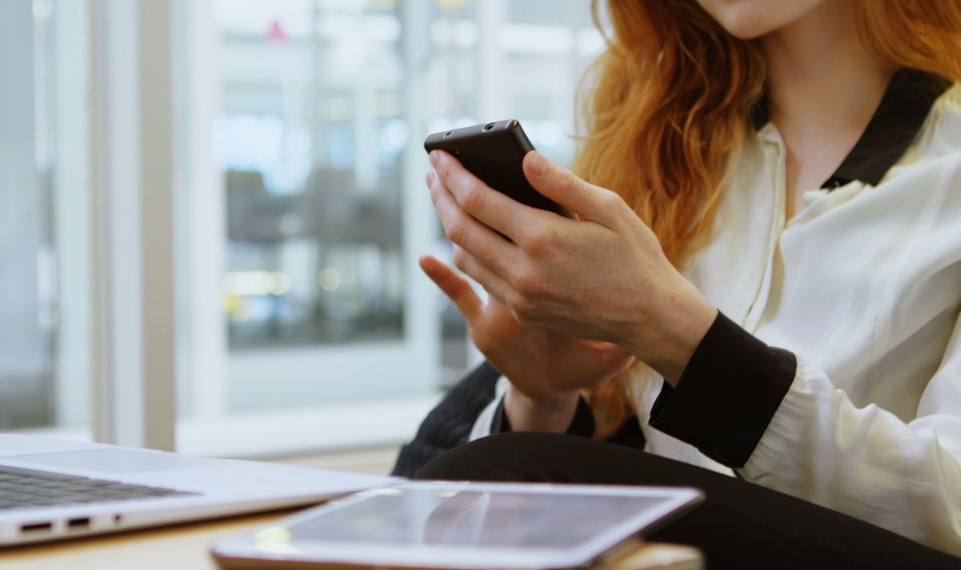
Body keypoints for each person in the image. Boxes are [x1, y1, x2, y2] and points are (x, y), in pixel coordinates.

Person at [394, 1, 961, 568]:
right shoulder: (661, 151)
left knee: (494, 476)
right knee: (458, 496)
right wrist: (544, 395)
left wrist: (676, 332)